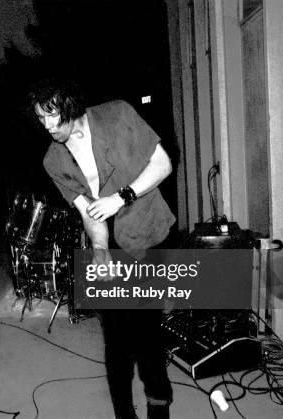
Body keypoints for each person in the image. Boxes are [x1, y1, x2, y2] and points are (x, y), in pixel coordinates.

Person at [29, 78, 175, 418]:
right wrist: (99, 250)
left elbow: (163, 164)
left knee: (147, 332)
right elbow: (88, 211)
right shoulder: (54, 160)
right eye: (40, 118)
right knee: (116, 337)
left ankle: (159, 407)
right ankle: (124, 413)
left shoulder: (118, 114)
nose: (48, 126)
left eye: (53, 115)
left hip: (147, 232)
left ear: (70, 105)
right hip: (109, 242)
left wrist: (121, 197)